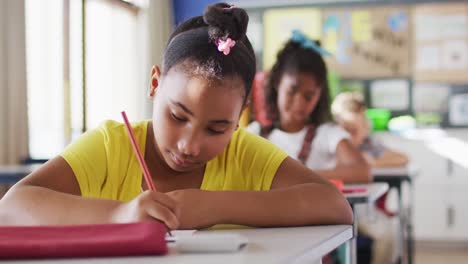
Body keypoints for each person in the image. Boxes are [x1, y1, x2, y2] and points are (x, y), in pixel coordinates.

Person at [0, 3, 352, 230]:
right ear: (155, 84)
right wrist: (119, 215)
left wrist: (211, 206)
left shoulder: (242, 152)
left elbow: (335, 205)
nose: (189, 144)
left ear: (240, 116)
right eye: (177, 115)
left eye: (217, 128)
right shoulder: (113, 146)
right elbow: (12, 207)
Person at [247, 30, 371, 184]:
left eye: (309, 96)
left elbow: (362, 172)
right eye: (292, 91)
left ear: (319, 95)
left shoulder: (327, 134)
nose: (299, 103)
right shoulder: (254, 134)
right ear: (277, 82)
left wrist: (296, 177)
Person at [332, 92, 406, 264]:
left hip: (363, 210)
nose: (351, 135)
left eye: (357, 128)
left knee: (389, 231)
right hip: (339, 207)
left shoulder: (368, 145)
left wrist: (370, 162)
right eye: (348, 129)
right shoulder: (331, 141)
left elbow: (402, 158)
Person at [332, 92, 409, 168]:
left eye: (354, 131)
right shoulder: (331, 147)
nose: (347, 136)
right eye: (347, 130)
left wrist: (373, 163)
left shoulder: (368, 143)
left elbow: (403, 158)